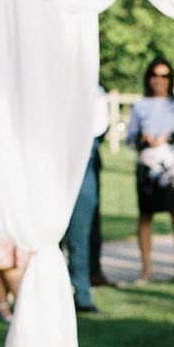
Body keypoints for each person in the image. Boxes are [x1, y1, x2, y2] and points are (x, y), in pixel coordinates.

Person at [126, 58, 174, 284]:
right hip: (147, 165)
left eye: (164, 75)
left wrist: (168, 137)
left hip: (172, 166)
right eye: (155, 75)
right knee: (145, 216)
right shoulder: (140, 105)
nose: (159, 80)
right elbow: (130, 138)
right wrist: (143, 139)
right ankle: (146, 270)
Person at [64, 85, 110, 313]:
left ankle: (82, 294)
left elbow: (98, 127)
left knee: (79, 235)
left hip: (83, 162)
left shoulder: (95, 90)